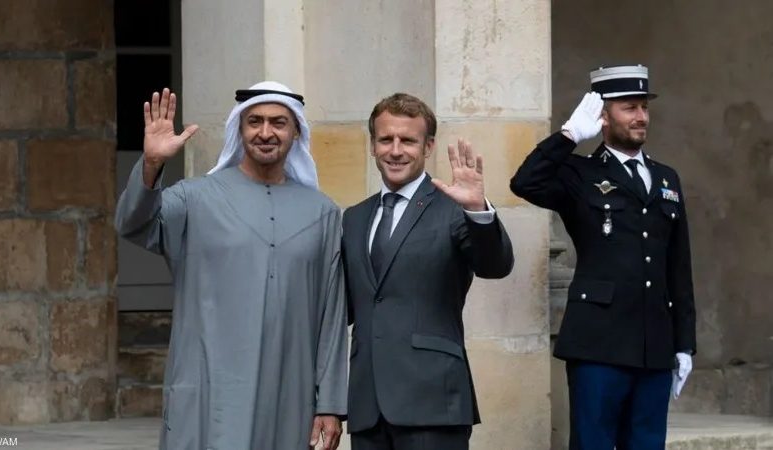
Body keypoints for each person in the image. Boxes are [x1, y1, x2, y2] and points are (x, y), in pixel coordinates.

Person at [115, 81, 347, 450]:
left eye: (278, 122)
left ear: (296, 132)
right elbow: (133, 224)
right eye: (254, 121)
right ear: (239, 129)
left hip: (289, 398)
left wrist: (331, 404)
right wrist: (152, 164)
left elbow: (331, 319)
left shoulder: (323, 214)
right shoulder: (194, 198)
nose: (265, 132)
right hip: (209, 398)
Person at [510, 65, 696, 450]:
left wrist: (684, 343)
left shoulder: (666, 178)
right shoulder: (580, 173)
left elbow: (678, 266)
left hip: (654, 346)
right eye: (629, 107)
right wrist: (568, 136)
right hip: (598, 344)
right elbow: (524, 182)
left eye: (644, 107)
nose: (641, 117)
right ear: (603, 115)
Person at [341, 93, 514, 450]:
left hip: (434, 402)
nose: (395, 150)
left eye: (408, 140)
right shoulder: (354, 217)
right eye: (386, 139)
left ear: (428, 146)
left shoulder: (454, 208)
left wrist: (478, 210)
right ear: (372, 145)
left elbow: (495, 265)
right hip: (367, 407)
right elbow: (343, 307)